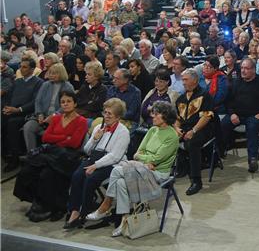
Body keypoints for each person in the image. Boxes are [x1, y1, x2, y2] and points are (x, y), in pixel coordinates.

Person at [83, 101, 179, 236]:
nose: (153, 116)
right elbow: (137, 153)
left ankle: (106, 205)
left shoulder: (172, 136)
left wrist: (145, 158)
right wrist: (145, 159)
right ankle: (123, 221)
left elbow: (156, 159)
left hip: (158, 173)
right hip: (142, 167)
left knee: (117, 170)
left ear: (166, 117)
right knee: (121, 183)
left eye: (156, 114)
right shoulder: (152, 130)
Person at [13, 91, 88, 222]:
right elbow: (45, 137)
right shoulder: (56, 118)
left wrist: (56, 139)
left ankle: (56, 206)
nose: (65, 104)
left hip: (68, 156)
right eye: (63, 102)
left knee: (47, 174)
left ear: (75, 103)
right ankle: (39, 201)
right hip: (52, 152)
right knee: (28, 171)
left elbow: (75, 143)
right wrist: (65, 137)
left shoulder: (81, 121)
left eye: (69, 101)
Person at [65, 98, 130, 229]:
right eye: (105, 112)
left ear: (117, 117)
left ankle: (83, 213)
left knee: (90, 179)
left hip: (112, 164)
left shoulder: (123, 132)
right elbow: (87, 150)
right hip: (94, 158)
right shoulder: (99, 127)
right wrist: (94, 139)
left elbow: (115, 156)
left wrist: (96, 166)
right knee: (77, 176)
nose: (106, 116)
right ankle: (74, 210)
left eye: (109, 114)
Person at [221, 58, 259, 172]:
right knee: (223, 124)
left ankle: (252, 159)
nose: (243, 71)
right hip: (238, 115)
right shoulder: (236, 83)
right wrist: (232, 114)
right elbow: (228, 102)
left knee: (252, 127)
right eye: (242, 68)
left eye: (246, 68)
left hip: (255, 115)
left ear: (253, 70)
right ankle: (220, 151)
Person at [175, 69, 214, 195]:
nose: (183, 82)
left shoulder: (204, 95)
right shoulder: (180, 98)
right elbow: (177, 119)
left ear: (195, 80)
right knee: (169, 137)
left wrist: (193, 130)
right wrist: (176, 129)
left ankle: (196, 180)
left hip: (203, 128)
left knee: (192, 143)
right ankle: (179, 168)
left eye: (186, 80)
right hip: (185, 128)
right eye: (183, 80)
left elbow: (207, 116)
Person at [2, 59, 44, 171]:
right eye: (21, 66)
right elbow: (9, 97)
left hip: (27, 113)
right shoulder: (18, 81)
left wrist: (18, 109)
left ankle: (14, 158)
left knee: (12, 123)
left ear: (32, 69)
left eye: (25, 67)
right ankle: (5, 153)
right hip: (12, 110)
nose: (21, 69)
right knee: (2, 119)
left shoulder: (39, 82)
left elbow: (35, 102)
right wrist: (6, 108)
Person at [23, 63, 74, 153]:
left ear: (61, 74)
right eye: (50, 73)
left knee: (53, 132)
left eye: (54, 73)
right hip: (42, 116)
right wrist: (40, 114)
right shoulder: (45, 84)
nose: (51, 75)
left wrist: (54, 116)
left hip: (59, 118)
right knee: (28, 127)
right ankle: (32, 154)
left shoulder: (68, 87)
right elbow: (38, 101)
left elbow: (67, 106)